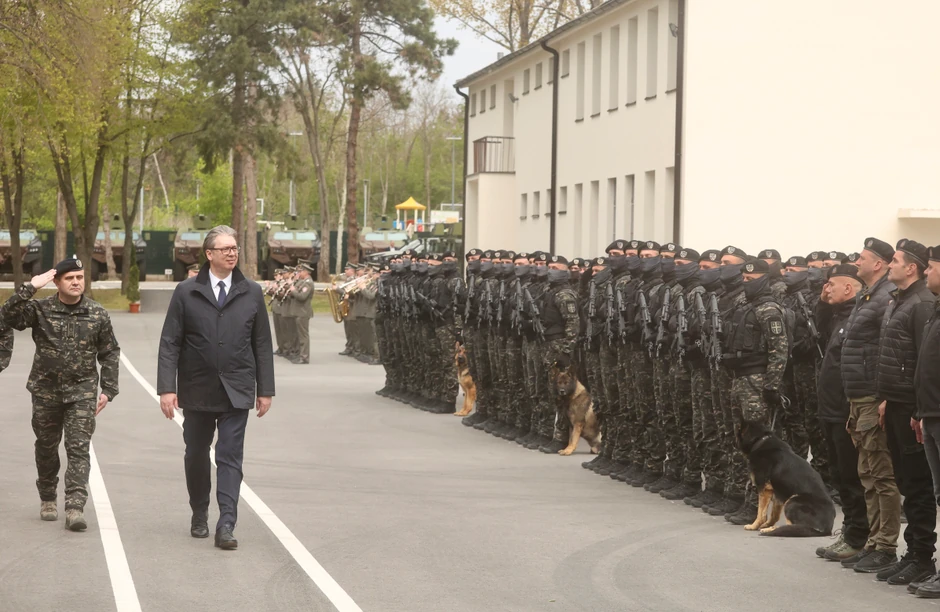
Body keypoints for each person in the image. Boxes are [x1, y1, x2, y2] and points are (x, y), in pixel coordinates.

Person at [157, 225, 275, 551]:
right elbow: (170, 342)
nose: (232, 253)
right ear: (209, 254)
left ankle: (226, 524)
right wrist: (167, 388)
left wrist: (265, 389)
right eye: (225, 249)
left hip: (237, 387)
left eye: (234, 248)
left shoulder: (251, 292)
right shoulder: (187, 291)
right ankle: (199, 511)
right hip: (197, 388)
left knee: (230, 457)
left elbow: (262, 343)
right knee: (196, 453)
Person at [0, 256, 120, 531]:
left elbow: (110, 352)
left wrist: (108, 389)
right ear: (56, 282)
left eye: (80, 277)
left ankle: (75, 507)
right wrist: (30, 287)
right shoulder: (40, 309)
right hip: (45, 391)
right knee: (46, 447)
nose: (76, 282)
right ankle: (47, 496)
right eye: (70, 278)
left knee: (78, 448)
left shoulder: (97, 313)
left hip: (82, 392)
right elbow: (6, 316)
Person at [869, 239, 936, 585]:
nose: (889, 265)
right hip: (896, 403)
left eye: (894, 261)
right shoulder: (901, 300)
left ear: (911, 268)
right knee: (908, 482)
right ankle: (912, 553)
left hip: (913, 406)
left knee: (919, 484)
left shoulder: (921, 303)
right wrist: (886, 399)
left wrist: (915, 408)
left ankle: (922, 557)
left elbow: (923, 362)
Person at [841, 237, 900, 574]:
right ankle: (874, 541)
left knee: (881, 476)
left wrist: (882, 396)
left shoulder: (884, 297)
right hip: (858, 397)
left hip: (871, 397)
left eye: (862, 258)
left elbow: (885, 352)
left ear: (878, 264)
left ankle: (886, 546)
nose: (857, 263)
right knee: (867, 474)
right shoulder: (868, 296)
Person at [815, 265, 871, 562]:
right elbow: (819, 326)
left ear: (848, 288)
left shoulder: (857, 318)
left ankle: (858, 536)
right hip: (830, 410)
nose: (826, 289)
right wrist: (824, 302)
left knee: (851, 477)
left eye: (831, 285)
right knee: (838, 474)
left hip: (844, 410)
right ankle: (850, 531)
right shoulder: (839, 316)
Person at [912, 245, 940, 599]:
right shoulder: (935, 309)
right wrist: (920, 412)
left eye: (931, 267)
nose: (927, 272)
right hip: (931, 413)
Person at [288, 261, 315, 364]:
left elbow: (302, 297)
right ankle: (300, 354)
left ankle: (304, 357)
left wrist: (293, 290)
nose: (299, 273)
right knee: (299, 336)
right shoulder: (303, 281)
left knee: (303, 336)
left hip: (303, 312)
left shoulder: (308, 283)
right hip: (298, 311)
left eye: (301, 271)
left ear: (306, 272)